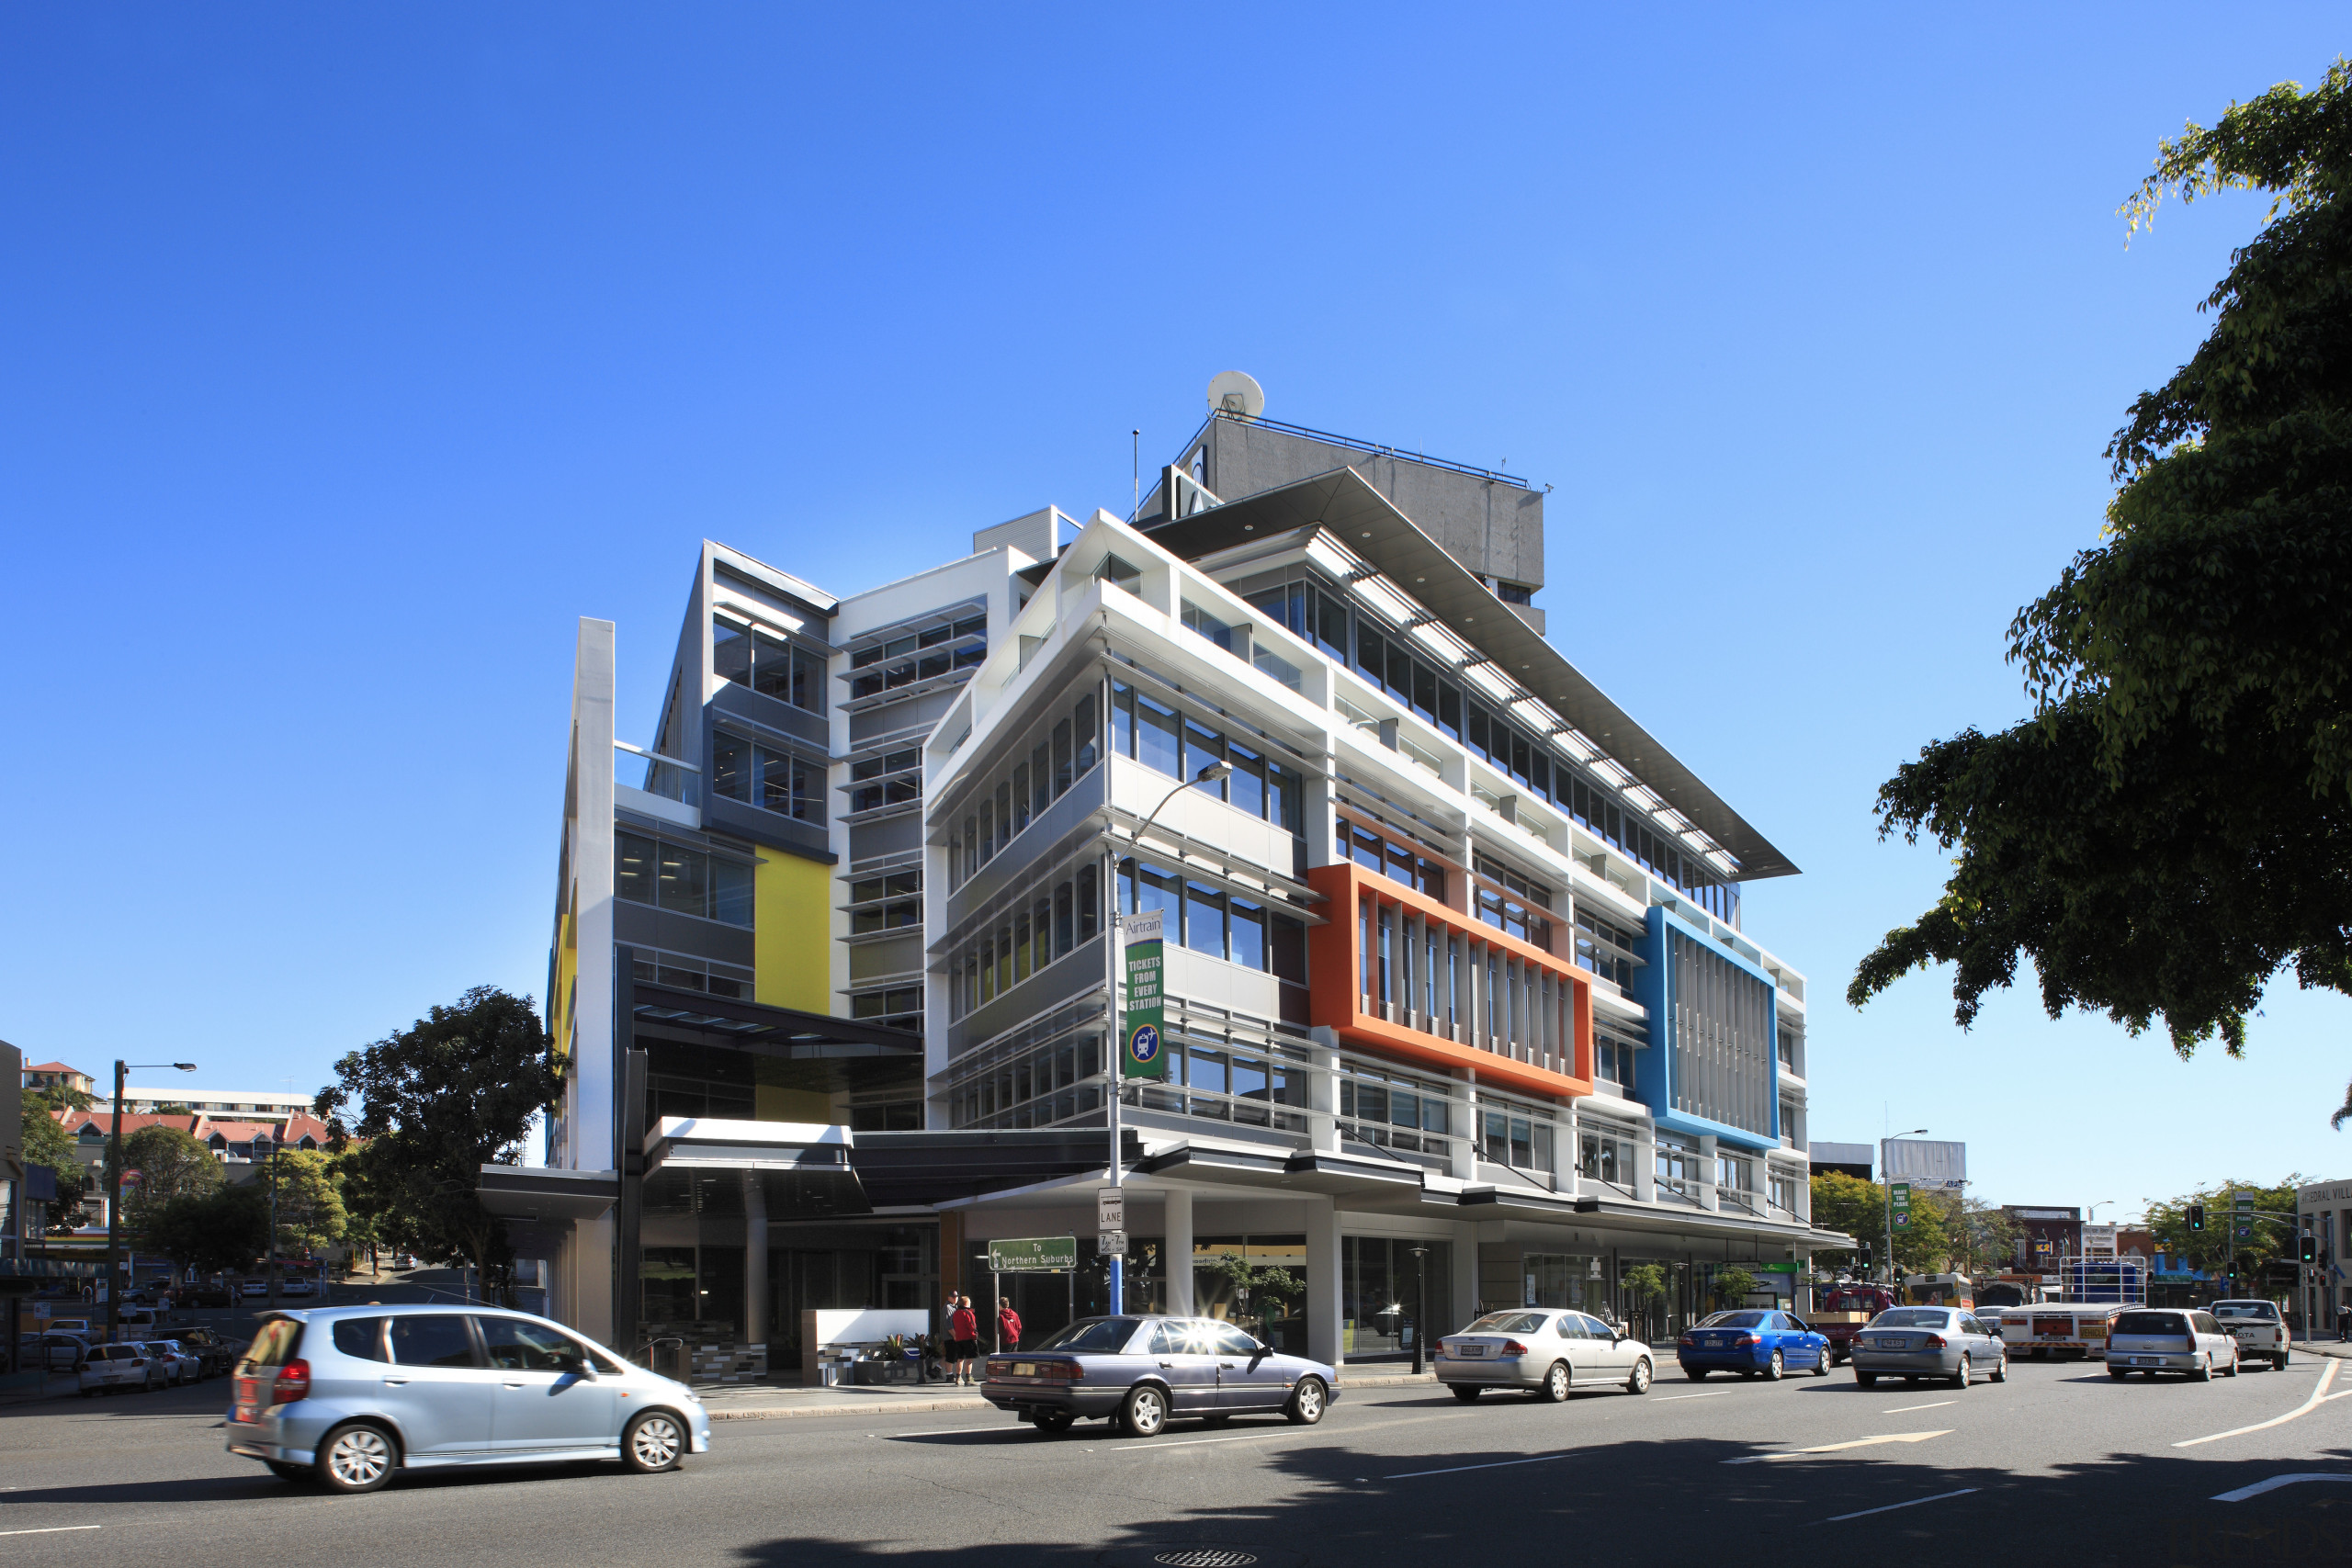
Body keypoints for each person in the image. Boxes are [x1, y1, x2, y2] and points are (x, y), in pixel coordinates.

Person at [949, 1294, 979, 1383]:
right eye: (969, 1302)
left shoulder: (956, 1313)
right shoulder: (968, 1313)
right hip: (969, 1338)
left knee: (960, 1358)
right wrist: (975, 1336)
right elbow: (972, 1326)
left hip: (959, 1338)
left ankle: (958, 1377)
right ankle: (968, 1377)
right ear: (966, 1303)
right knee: (969, 1359)